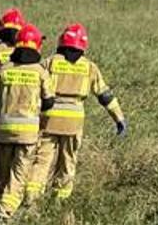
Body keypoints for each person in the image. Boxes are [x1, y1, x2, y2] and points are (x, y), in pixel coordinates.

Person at [31, 23, 127, 202]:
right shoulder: (90, 67)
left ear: (62, 42)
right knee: (68, 162)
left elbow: (33, 86)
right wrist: (119, 118)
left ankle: (31, 199)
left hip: (49, 120)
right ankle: (59, 200)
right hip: (74, 123)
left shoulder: (50, 62)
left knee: (42, 161)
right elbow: (104, 95)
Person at [0, 23, 49, 218]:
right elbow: (49, 101)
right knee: (19, 173)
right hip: (28, 134)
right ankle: (5, 211)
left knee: (5, 171)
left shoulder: (4, 68)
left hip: (4, 130)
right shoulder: (40, 72)